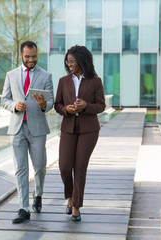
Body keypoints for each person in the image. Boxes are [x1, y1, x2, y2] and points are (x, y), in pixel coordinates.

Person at [1, 41, 54, 224]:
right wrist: (14, 105)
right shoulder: (11, 75)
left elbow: (51, 102)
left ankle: (38, 194)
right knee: (20, 169)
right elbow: (4, 100)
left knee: (40, 166)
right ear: (21, 55)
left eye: (34, 56)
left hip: (37, 128)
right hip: (17, 128)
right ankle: (23, 208)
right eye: (27, 56)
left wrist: (43, 105)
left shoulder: (46, 76)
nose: (31, 60)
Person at [54, 45, 106, 222]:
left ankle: (76, 205)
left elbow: (101, 106)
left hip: (89, 130)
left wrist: (86, 107)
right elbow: (57, 105)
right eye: (67, 61)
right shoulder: (63, 81)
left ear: (82, 61)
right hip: (68, 128)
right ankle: (70, 196)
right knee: (65, 167)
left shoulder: (95, 81)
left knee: (80, 167)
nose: (69, 64)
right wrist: (66, 109)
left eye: (72, 61)